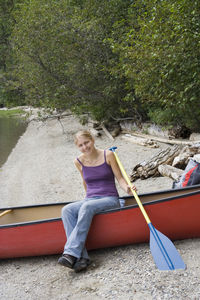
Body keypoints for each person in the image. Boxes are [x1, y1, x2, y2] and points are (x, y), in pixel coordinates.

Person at [58, 130, 136, 272]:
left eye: (86, 142)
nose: (85, 147)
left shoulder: (108, 155)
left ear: (92, 140)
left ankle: (70, 253)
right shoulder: (78, 161)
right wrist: (86, 199)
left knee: (87, 207)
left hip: (110, 198)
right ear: (77, 147)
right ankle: (82, 258)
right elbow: (85, 182)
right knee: (67, 210)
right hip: (90, 199)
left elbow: (120, 178)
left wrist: (128, 188)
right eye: (80, 145)